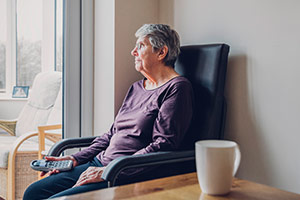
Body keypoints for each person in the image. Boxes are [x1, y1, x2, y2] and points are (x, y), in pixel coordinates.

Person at [23, 24, 194, 199]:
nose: (133, 52)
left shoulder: (177, 88)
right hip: (101, 163)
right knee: (33, 192)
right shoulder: (137, 87)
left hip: (127, 172)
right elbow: (112, 133)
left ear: (161, 52)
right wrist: (75, 159)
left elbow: (163, 144)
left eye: (141, 46)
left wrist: (109, 170)